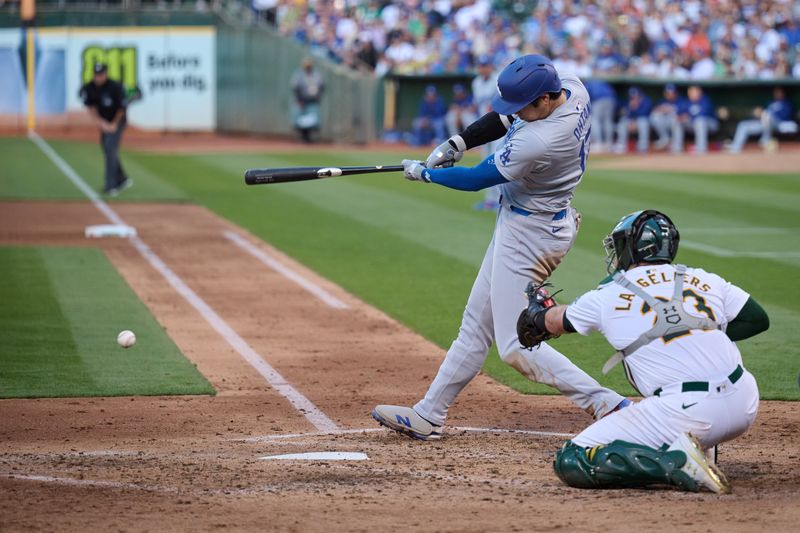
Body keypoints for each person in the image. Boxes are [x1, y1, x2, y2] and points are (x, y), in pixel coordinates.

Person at [372, 55, 628, 441]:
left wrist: (425, 173)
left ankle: (608, 404)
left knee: (515, 346)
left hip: (532, 234)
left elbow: (477, 179)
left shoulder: (540, 139)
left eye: (524, 105)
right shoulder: (572, 87)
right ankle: (429, 413)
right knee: (475, 326)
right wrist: (459, 141)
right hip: (528, 222)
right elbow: (506, 118)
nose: (516, 113)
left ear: (543, 100)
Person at [516, 210, 768, 493]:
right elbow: (757, 318)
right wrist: (695, 335)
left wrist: (537, 314)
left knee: (573, 459)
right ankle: (699, 447)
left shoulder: (608, 294)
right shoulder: (702, 278)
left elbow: (553, 322)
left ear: (630, 248)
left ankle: (677, 461)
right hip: (745, 403)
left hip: (687, 411)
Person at [79, 62, 132, 196]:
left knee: (110, 147)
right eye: (96, 75)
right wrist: (102, 123)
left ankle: (111, 185)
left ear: (106, 74)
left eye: (101, 75)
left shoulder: (115, 87)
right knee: (106, 147)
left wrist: (113, 124)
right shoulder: (89, 88)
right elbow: (91, 108)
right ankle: (123, 179)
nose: (98, 78)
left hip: (118, 121)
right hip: (104, 121)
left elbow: (121, 109)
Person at [471, 55, 502, 211]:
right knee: (485, 161)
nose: (483, 69)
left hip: (498, 124)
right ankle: (490, 199)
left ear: (490, 66)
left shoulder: (498, 80)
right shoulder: (476, 82)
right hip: (483, 125)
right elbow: (477, 104)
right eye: (481, 66)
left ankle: (499, 199)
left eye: (486, 66)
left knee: (497, 159)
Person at [728, 87, 796, 153]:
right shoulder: (770, 103)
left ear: (783, 93)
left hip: (780, 124)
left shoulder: (786, 103)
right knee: (743, 125)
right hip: (765, 124)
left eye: (779, 92)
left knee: (769, 117)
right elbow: (764, 113)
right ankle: (735, 148)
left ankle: (766, 140)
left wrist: (769, 116)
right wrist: (759, 114)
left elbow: (785, 116)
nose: (777, 93)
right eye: (776, 92)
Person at [671, 85, 718, 154]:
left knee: (700, 121)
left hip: (710, 124)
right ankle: (677, 148)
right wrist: (680, 117)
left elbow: (703, 114)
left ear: (700, 92)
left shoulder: (705, 100)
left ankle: (701, 149)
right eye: (690, 93)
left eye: (694, 92)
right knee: (677, 121)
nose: (692, 94)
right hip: (693, 124)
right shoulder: (687, 102)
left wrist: (688, 116)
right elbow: (679, 112)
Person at [291, 57, 325, 143]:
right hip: (302, 100)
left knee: (312, 120)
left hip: (312, 100)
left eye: (309, 65)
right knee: (301, 119)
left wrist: (319, 96)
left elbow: (322, 86)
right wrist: (299, 99)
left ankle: (309, 137)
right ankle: (303, 137)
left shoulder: (316, 75)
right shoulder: (299, 75)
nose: (308, 67)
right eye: (306, 65)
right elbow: (295, 88)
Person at [613, 87, 653, 153]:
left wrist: (635, 108)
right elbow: (626, 114)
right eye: (632, 96)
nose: (634, 98)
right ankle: (621, 145)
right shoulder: (629, 102)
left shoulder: (646, 100)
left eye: (636, 96)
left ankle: (642, 146)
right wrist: (630, 111)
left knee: (643, 122)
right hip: (632, 122)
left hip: (644, 122)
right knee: (622, 122)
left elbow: (644, 113)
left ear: (640, 95)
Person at [584, 79, 616, 153]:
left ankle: (598, 143)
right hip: (611, 100)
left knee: (595, 120)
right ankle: (609, 143)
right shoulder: (603, 82)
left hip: (598, 100)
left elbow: (586, 96)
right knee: (608, 121)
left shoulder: (589, 83)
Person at [649, 84, 684, 151]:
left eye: (671, 93)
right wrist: (660, 109)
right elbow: (653, 110)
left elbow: (684, 114)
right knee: (654, 116)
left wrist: (672, 112)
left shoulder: (681, 101)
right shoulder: (662, 101)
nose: (669, 95)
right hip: (666, 123)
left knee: (676, 121)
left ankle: (677, 146)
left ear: (676, 93)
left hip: (678, 123)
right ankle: (665, 138)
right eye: (668, 93)